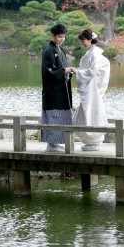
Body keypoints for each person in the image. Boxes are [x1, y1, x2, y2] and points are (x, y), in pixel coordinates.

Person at [66, 29, 110, 151]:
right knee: (85, 114)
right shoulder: (92, 52)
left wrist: (77, 71)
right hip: (90, 88)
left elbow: (92, 72)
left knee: (90, 113)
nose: (82, 43)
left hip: (92, 90)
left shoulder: (94, 54)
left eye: (83, 41)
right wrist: (79, 71)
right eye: (81, 41)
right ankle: (90, 141)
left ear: (90, 40)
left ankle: (93, 141)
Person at [40, 23, 73, 152]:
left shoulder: (60, 49)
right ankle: (51, 144)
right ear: (52, 35)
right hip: (52, 90)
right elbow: (48, 72)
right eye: (59, 37)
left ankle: (56, 143)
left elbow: (64, 67)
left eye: (63, 37)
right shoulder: (49, 50)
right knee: (53, 115)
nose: (61, 39)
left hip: (61, 88)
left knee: (61, 116)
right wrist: (66, 70)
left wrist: (69, 71)